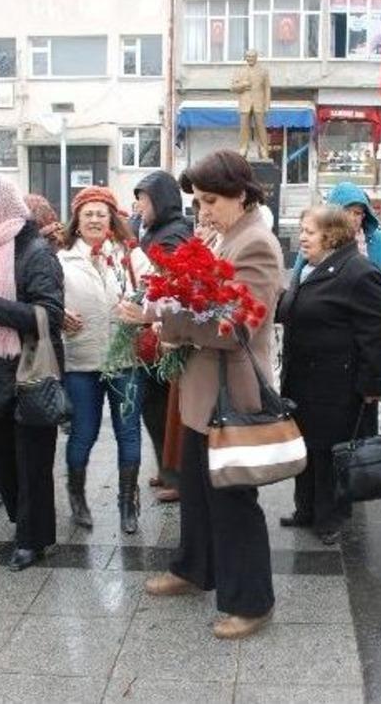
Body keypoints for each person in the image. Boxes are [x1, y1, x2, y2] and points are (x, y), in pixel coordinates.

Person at [119, 149, 283, 639]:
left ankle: (251, 602)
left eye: (211, 200)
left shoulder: (256, 244)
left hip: (230, 394)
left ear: (241, 193)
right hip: (199, 390)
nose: (202, 211)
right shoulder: (221, 235)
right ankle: (194, 568)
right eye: (198, 202)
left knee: (233, 503)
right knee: (194, 490)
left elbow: (237, 326)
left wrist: (162, 319)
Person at [0, 174, 65, 572]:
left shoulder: (35, 251)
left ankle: (33, 539)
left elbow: (48, 316)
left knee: (32, 461)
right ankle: (23, 523)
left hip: (29, 368)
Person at [276, 206, 381, 545]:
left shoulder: (359, 272)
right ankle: (306, 509)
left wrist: (373, 386)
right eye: (302, 229)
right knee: (308, 449)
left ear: (332, 234)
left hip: (339, 385)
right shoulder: (309, 268)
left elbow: (375, 335)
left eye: (309, 230)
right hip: (304, 379)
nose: (303, 236)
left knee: (331, 453)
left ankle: (330, 518)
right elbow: (292, 309)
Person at [59, 186, 152, 534]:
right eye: (88, 214)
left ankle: (128, 503)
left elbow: (156, 293)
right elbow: (47, 300)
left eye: (101, 213)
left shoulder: (131, 255)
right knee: (83, 433)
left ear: (112, 218)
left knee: (129, 433)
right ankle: (77, 497)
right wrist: (58, 313)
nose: (95, 219)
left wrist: (141, 311)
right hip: (80, 360)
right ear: (78, 221)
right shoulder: (62, 258)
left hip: (126, 360)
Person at [133, 171, 192, 503]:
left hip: (164, 332)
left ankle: (177, 476)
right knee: (154, 407)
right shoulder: (156, 230)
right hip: (153, 329)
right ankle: (166, 468)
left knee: (165, 409)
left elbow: (166, 285)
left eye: (145, 198)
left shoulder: (173, 235)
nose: (140, 205)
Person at [292, 182, 381, 352]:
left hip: (368, 331)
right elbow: (296, 282)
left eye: (358, 213)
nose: (353, 218)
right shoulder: (318, 240)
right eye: (347, 211)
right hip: (324, 334)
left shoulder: (376, 241)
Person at [231, 49, 270, 159]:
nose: (250, 59)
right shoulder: (240, 71)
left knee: (261, 127)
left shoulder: (263, 71)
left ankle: (263, 149)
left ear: (256, 57)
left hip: (259, 103)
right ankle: (243, 148)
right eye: (248, 57)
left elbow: (267, 88)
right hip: (245, 103)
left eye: (252, 57)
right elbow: (233, 87)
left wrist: (267, 104)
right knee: (244, 128)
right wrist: (242, 85)